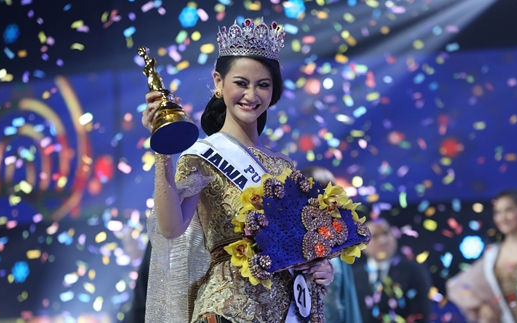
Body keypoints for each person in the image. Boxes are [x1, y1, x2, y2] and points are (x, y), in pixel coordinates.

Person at [141, 18, 334, 323]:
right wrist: (163, 152)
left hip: (285, 312)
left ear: (274, 91)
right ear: (219, 82)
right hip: (226, 310)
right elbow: (170, 228)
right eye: (241, 83)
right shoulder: (203, 156)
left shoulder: (285, 166)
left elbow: (299, 246)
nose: (251, 95)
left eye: (263, 85)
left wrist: (320, 268)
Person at [447, 190, 517, 323]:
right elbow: (460, 285)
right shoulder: (492, 254)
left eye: (508, 210)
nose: (502, 217)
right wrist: (482, 306)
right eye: (497, 212)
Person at [301, 166, 364, 323]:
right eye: (319, 191)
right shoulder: (289, 239)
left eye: (330, 193)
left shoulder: (340, 240)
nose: (325, 200)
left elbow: (348, 299)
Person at [351, 218, 432, 323]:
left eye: (386, 233)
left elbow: (420, 313)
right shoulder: (353, 276)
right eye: (375, 236)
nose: (383, 241)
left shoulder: (414, 271)